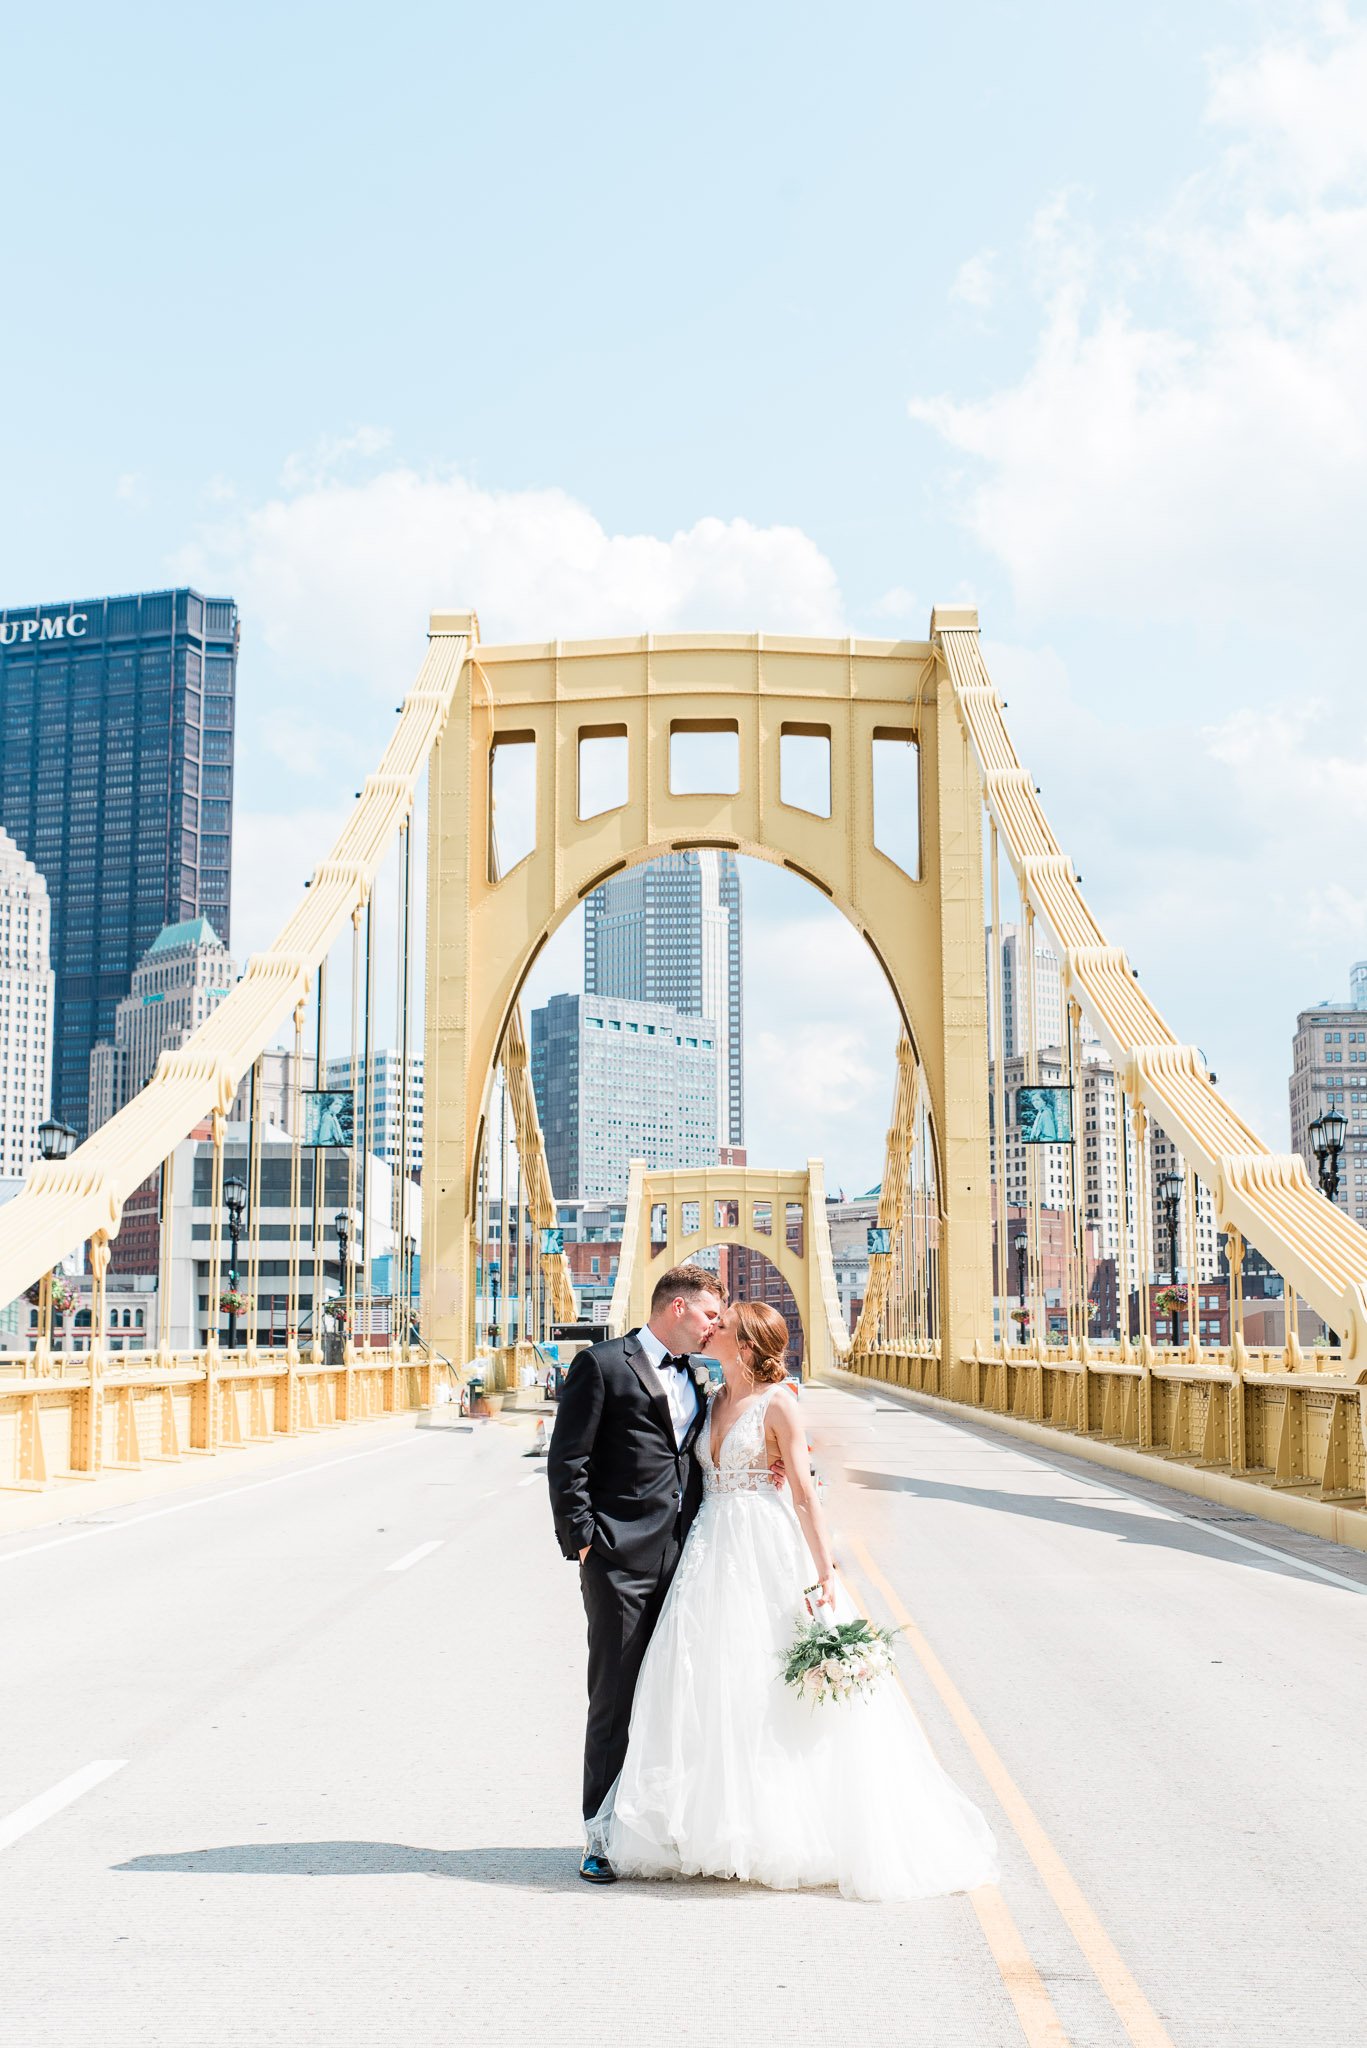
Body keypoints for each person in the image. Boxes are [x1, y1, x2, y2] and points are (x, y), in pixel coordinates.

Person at [586, 1300, 1000, 1902]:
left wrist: (824, 1568)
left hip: (765, 1547)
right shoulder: (711, 1396)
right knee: (708, 1683)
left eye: (721, 1326)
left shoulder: (779, 1402)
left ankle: (785, 1826)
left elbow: (805, 1491)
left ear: (747, 1345)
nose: (711, 1329)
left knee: (771, 1684)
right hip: (711, 1551)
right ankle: (716, 1826)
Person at [547, 1263, 724, 1883]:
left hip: (688, 1558)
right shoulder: (602, 1365)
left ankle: (658, 1828)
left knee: (677, 1699)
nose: (715, 1327)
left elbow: (693, 1461)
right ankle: (598, 1836)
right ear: (677, 1309)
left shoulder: (700, 1378)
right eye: (708, 1315)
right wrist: (585, 1545)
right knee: (615, 1700)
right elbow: (567, 1460)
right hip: (619, 1563)